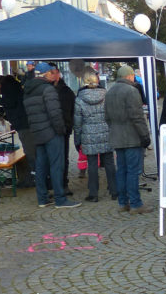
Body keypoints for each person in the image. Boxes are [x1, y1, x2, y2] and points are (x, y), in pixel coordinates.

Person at [23, 62, 81, 208]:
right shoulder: (48, 90)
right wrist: (61, 130)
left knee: (41, 166)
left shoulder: (28, 90)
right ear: (46, 74)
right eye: (52, 72)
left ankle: (42, 198)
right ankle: (60, 199)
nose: (55, 75)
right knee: (57, 165)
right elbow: (55, 113)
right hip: (51, 133)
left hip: (37, 132)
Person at [105, 65, 152, 214]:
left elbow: (106, 117)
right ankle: (136, 204)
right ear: (130, 76)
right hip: (132, 137)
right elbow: (137, 117)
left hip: (117, 137)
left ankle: (123, 202)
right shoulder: (131, 91)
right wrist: (145, 136)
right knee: (132, 171)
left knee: (122, 171)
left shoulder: (110, 92)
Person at [74, 69, 117, 203]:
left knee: (92, 164)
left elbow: (78, 122)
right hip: (105, 132)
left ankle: (93, 193)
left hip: (88, 134)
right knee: (109, 162)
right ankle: (114, 191)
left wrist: (77, 139)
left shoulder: (80, 99)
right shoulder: (106, 95)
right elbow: (112, 116)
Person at [0, 75, 35, 187]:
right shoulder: (14, 87)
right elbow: (13, 105)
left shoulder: (9, 88)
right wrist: (2, 110)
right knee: (29, 150)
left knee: (30, 151)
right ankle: (30, 177)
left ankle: (33, 178)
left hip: (24, 124)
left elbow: (10, 103)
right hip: (23, 123)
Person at [48, 63, 76, 195]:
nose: (52, 75)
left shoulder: (66, 91)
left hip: (63, 130)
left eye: (54, 72)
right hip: (48, 130)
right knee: (50, 158)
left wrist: (68, 127)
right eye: (50, 73)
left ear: (58, 74)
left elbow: (72, 110)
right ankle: (52, 185)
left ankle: (63, 184)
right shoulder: (45, 90)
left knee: (63, 158)